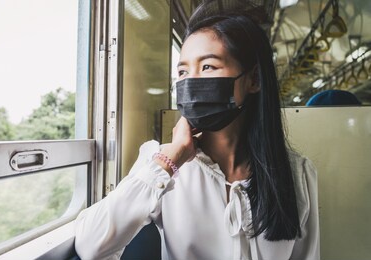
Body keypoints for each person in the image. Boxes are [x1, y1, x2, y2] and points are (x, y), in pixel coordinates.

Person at [74, 2, 320, 260]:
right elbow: (90, 244)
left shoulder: (299, 174)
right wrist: (171, 160)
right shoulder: (162, 163)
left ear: (254, 80)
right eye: (182, 71)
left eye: (208, 67)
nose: (190, 81)